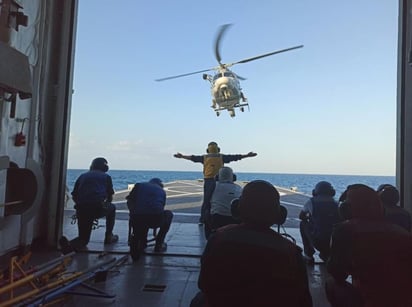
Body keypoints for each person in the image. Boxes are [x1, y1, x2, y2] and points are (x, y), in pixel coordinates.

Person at [191, 180, 313, 307]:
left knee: (199, 300)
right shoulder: (291, 252)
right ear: (279, 214)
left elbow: (204, 283)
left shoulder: (219, 238)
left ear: (237, 208)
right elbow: (304, 300)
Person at [326, 184, 412, 307]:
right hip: (405, 299)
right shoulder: (400, 231)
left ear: (345, 209)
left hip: (371, 299)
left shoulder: (345, 229)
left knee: (332, 284)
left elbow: (338, 272)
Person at [174, 141, 257, 224]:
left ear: (207, 150)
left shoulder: (205, 157)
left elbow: (193, 158)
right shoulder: (221, 157)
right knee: (221, 198)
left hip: (208, 181)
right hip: (221, 181)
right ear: (218, 149)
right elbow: (235, 157)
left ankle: (203, 219)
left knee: (207, 200)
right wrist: (247, 155)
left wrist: (182, 156)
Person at [59, 157, 118, 253]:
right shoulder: (106, 177)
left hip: (82, 209)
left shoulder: (82, 176)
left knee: (83, 239)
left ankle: (69, 245)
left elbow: (74, 195)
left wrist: (80, 206)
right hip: (97, 208)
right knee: (112, 208)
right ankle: (109, 236)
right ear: (105, 168)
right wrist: (103, 205)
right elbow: (110, 197)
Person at [126, 178, 173, 261]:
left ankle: (142, 243)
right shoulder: (162, 191)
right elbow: (160, 208)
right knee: (168, 214)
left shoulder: (139, 185)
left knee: (141, 217)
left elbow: (130, 200)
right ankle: (159, 244)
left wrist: (132, 213)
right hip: (155, 219)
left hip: (137, 217)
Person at [299, 181, 340, 263]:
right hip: (333, 242)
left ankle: (309, 255)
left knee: (303, 224)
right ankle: (327, 254)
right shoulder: (337, 204)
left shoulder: (311, 202)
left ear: (315, 192)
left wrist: (310, 217)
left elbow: (301, 216)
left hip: (317, 240)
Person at [204, 166, 242, 238]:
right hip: (234, 220)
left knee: (206, 211)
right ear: (233, 177)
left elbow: (207, 201)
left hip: (217, 219)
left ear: (217, 177)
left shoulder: (214, 186)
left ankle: (208, 237)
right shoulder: (239, 188)